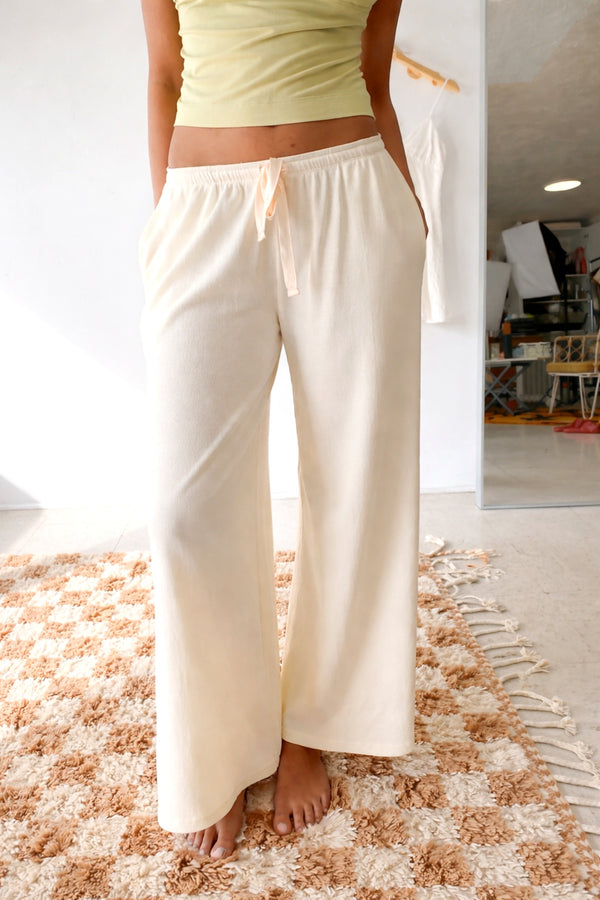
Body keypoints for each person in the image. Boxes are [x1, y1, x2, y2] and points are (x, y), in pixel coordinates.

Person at [138, 0, 427, 862]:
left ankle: (310, 726)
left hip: (353, 198)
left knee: (355, 478)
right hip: (202, 208)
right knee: (186, 512)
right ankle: (217, 748)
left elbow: (375, 77)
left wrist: (407, 217)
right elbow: (164, 72)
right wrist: (169, 220)